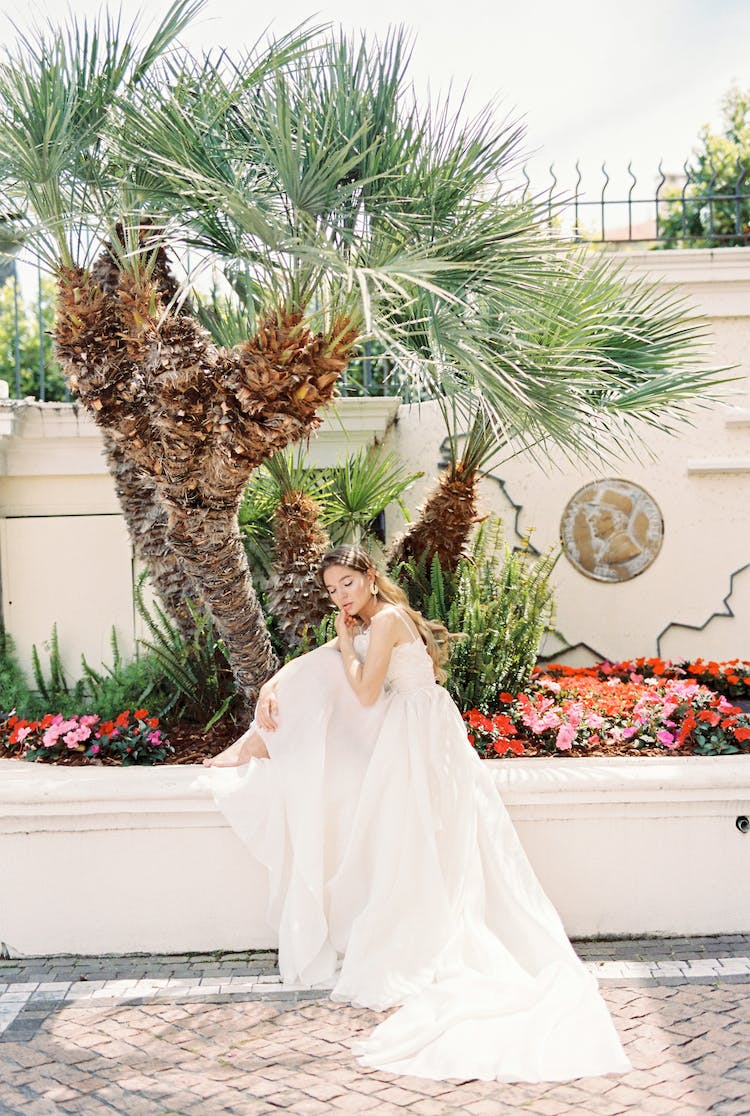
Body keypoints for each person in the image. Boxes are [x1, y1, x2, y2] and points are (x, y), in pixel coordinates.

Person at [204, 544, 630, 1082]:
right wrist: (272, 681)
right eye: (332, 591)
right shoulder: (377, 620)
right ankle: (257, 744)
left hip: (415, 730)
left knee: (416, 834)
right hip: (415, 724)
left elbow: (361, 692)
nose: (341, 597)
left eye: (347, 585)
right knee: (410, 826)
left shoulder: (382, 622)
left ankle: (256, 747)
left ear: (370, 577)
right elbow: (328, 667)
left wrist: (342, 641)